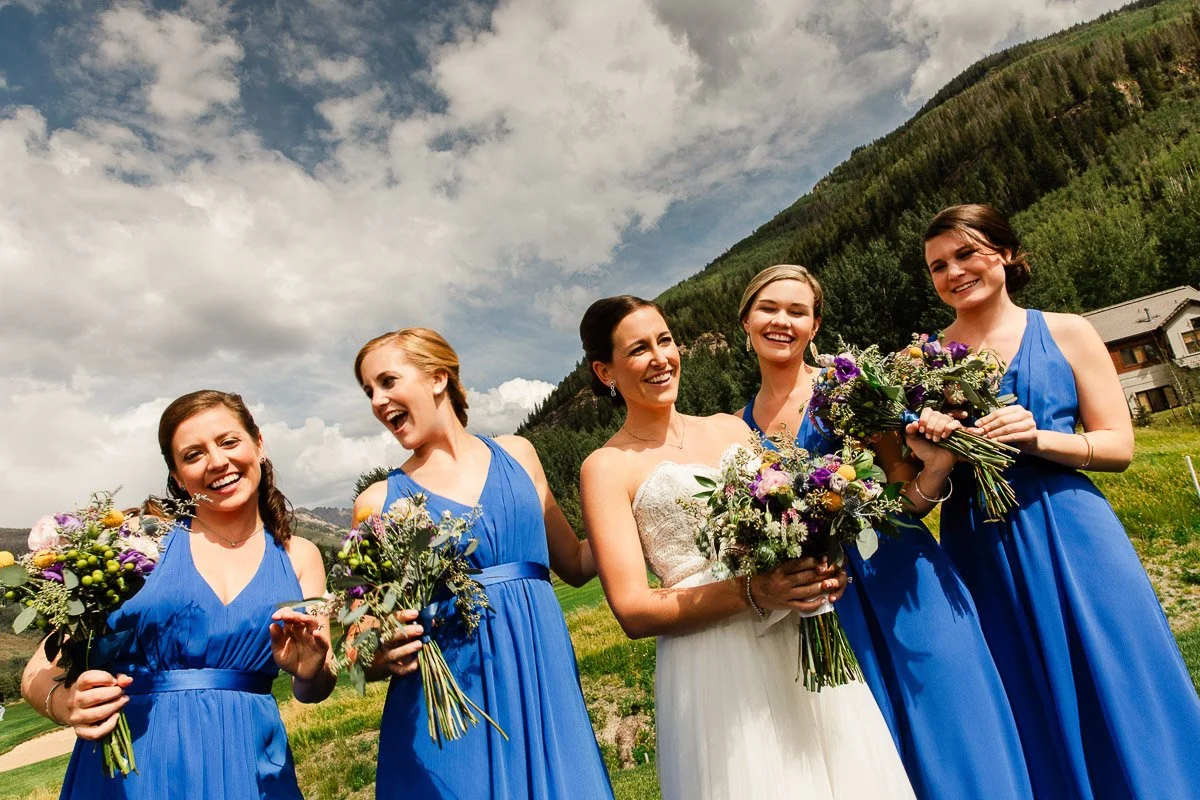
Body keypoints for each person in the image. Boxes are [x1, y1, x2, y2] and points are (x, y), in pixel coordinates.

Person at [578, 295, 916, 800]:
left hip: (799, 635)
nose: (660, 358)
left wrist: (820, 560)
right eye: (638, 350)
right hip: (713, 656)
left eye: (665, 340)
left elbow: (792, 510)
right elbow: (633, 610)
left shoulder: (730, 428)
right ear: (606, 371)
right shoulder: (606, 467)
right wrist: (755, 591)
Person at [924, 203, 1200, 799]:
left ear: (1004, 252)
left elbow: (1119, 444)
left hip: (1072, 525)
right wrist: (936, 447)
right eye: (938, 266)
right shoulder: (921, 360)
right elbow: (920, 481)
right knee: (1020, 679)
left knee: (1117, 666)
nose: (954, 272)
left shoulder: (1067, 329)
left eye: (967, 253)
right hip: (978, 537)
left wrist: (1037, 437)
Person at [737, 264, 1034, 800]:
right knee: (873, 759)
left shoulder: (850, 390)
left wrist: (937, 471)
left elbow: (906, 496)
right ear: (746, 321)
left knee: (956, 732)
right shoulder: (735, 429)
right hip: (830, 608)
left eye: (797, 311)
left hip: (905, 582)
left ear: (815, 326)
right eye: (769, 309)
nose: (782, 321)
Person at [22, 390, 334, 799]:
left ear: (258, 443)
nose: (217, 462)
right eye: (193, 455)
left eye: (228, 441)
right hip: (133, 773)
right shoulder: (135, 545)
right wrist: (67, 703)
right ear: (177, 475)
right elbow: (36, 671)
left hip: (251, 772)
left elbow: (315, 688)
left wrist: (309, 669)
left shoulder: (299, 556)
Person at [351, 327, 612, 800]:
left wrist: (632, 517)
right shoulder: (376, 503)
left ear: (437, 377)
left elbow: (574, 562)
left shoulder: (519, 455)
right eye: (369, 390)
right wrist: (377, 651)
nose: (376, 400)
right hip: (452, 710)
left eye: (387, 381)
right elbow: (361, 639)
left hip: (542, 687)